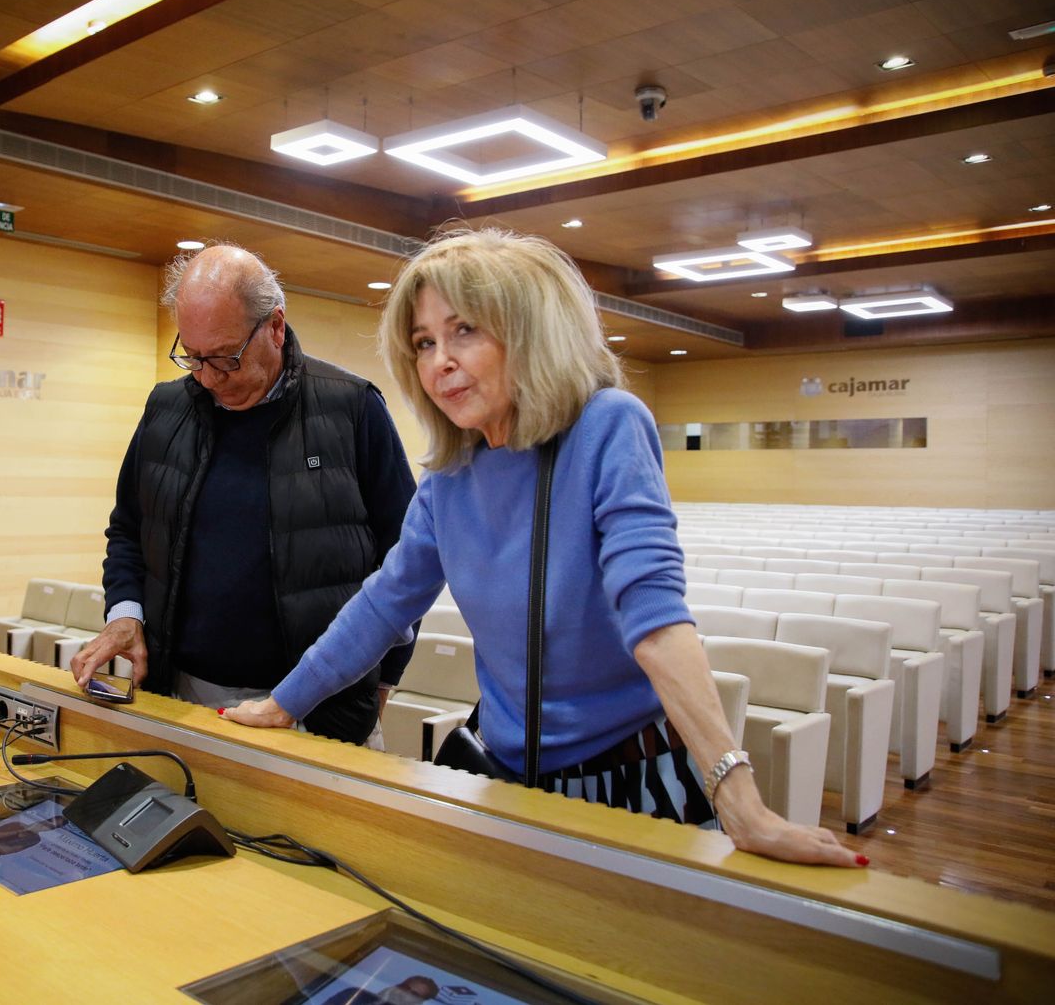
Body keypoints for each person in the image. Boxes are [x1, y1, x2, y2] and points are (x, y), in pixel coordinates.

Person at [225, 228, 862, 867]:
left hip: (625, 783)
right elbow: (383, 606)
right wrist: (281, 706)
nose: (439, 360)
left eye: (465, 330)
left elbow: (655, 620)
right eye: (424, 342)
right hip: (503, 780)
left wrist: (739, 798)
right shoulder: (451, 477)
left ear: (530, 331)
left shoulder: (608, 425)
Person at [70, 243, 418, 745]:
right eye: (193, 357)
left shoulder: (351, 408)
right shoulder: (167, 409)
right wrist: (125, 614)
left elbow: (405, 559)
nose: (208, 378)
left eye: (226, 358)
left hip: (320, 708)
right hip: (185, 695)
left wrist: (381, 682)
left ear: (275, 327)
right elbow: (129, 527)